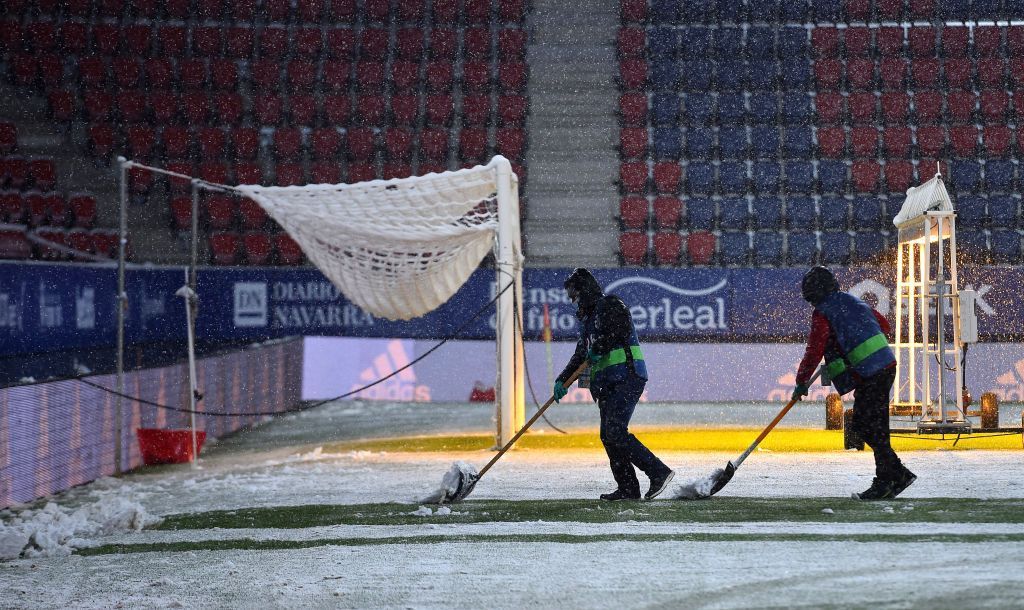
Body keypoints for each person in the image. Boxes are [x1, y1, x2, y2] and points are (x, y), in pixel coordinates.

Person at [793, 266, 916, 500]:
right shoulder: (854, 301)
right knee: (872, 425)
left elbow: (814, 350)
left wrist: (801, 382)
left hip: (871, 373)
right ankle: (891, 476)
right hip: (885, 367)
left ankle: (893, 475)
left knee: (865, 425)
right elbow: (884, 327)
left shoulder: (823, 312)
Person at [553, 268, 675, 501]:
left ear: (585, 290)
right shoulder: (587, 321)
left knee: (615, 431)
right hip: (604, 385)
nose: (572, 299)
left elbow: (617, 330)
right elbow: (581, 355)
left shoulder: (610, 304)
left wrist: (599, 347)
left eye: (574, 293)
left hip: (626, 377)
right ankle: (628, 488)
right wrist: (562, 379)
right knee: (608, 435)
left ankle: (659, 472)